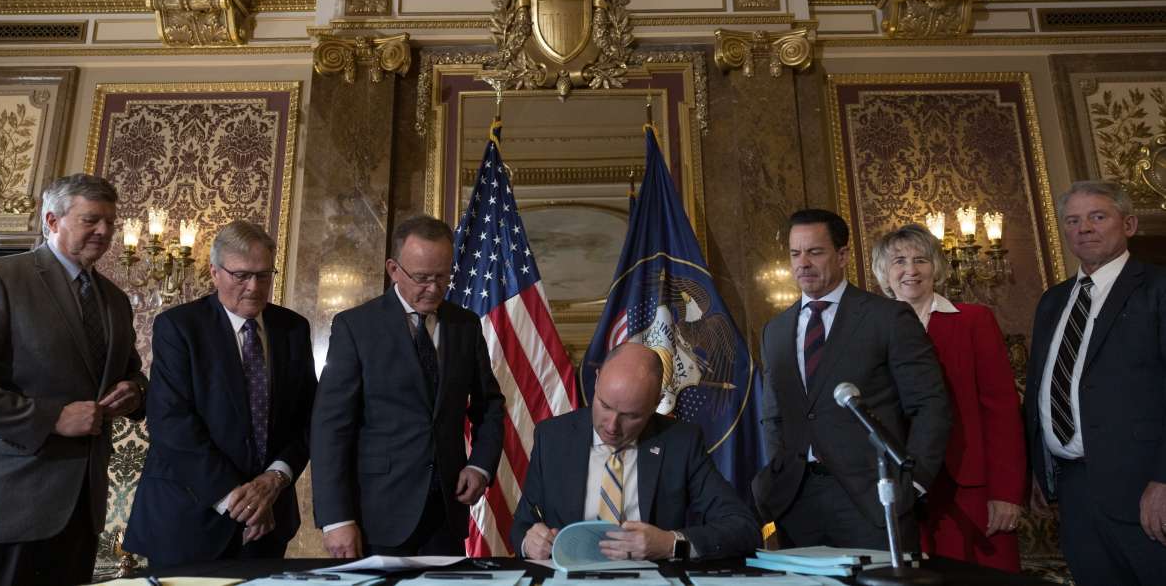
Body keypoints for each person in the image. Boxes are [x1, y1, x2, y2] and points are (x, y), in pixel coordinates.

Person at [0, 173, 146, 586]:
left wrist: (136, 391)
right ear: (52, 221)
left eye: (110, 222)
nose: (104, 232)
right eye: (91, 220)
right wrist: (51, 418)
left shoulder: (115, 300)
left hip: (79, 513)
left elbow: (129, 373)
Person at [753, 208, 951, 549]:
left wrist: (914, 483)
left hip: (873, 500)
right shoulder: (775, 330)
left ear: (842, 255)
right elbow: (774, 415)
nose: (803, 263)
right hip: (796, 502)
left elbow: (930, 404)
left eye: (815, 252)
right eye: (795, 253)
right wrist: (779, 470)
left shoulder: (887, 317)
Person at [123, 221, 316, 567]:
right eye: (241, 276)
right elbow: (172, 424)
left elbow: (307, 419)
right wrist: (237, 502)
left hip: (268, 522)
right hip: (187, 519)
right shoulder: (179, 327)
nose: (254, 287)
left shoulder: (293, 329)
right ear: (214, 272)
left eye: (263, 275)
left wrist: (275, 479)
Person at [311, 214, 506, 557]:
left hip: (446, 512)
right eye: (421, 278)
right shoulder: (356, 328)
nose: (432, 288)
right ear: (393, 269)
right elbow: (330, 428)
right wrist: (335, 519)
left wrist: (480, 466)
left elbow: (489, 406)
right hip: (377, 517)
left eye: (442, 277)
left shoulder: (466, 325)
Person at [1024, 180, 1166, 586]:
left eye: (1097, 216)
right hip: (1073, 490)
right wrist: (1039, 465)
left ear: (1130, 224)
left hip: (1145, 489)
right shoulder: (1053, 300)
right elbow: (1040, 387)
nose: (1084, 227)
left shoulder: (1157, 289)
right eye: (1073, 220)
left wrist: (1164, 479)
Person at [512, 342, 760, 561]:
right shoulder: (552, 437)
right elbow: (523, 524)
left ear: (656, 403)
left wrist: (670, 544)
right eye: (605, 405)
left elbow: (743, 528)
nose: (611, 426)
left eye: (630, 416)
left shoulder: (681, 443)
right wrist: (529, 542)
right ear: (597, 380)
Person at [871, 223, 1025, 571]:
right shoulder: (870, 329)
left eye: (920, 260)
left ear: (936, 267)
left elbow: (1001, 411)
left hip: (969, 485)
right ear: (883, 272)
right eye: (898, 261)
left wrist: (1005, 492)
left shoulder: (974, 321)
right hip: (899, 488)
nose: (910, 270)